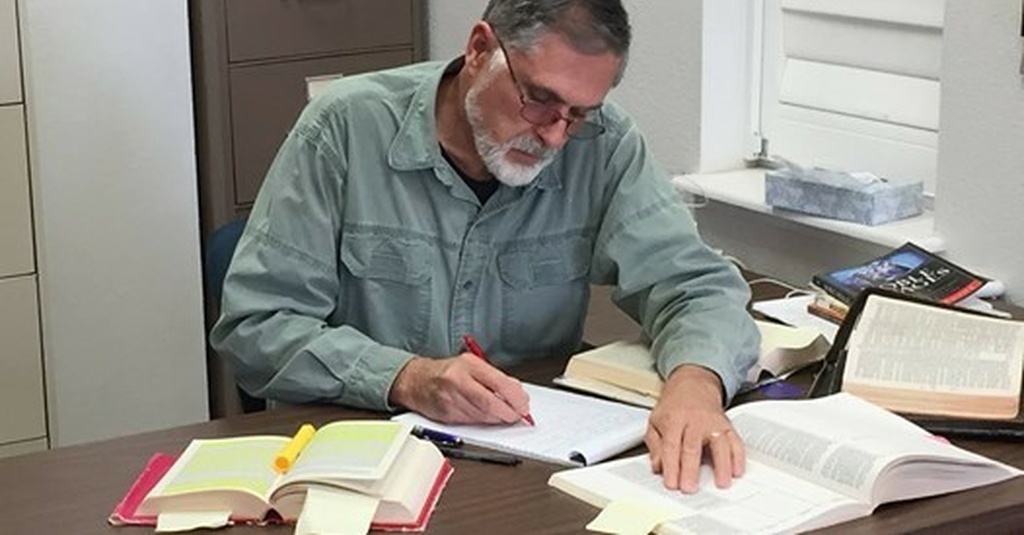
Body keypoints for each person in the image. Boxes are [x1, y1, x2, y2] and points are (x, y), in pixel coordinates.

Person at [211, 0, 760, 494]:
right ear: (479, 49)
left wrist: (696, 383)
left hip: (528, 468)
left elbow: (695, 285)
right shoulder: (345, 129)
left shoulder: (605, 146)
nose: (554, 136)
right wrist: (405, 377)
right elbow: (258, 324)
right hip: (362, 468)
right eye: (539, 100)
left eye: (579, 114)